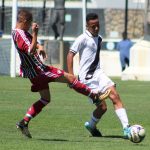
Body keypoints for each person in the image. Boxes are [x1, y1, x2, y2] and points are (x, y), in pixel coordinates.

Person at [11, 10, 110, 138]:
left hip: (32, 73)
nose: (30, 26)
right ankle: (94, 96)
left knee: (45, 98)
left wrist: (39, 47)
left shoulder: (16, 33)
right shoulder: (20, 34)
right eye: (29, 23)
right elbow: (30, 50)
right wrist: (35, 33)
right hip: (40, 70)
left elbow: (32, 44)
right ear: (24, 21)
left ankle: (24, 122)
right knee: (70, 78)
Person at [67, 13, 130, 138]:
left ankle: (127, 129)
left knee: (115, 95)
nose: (96, 28)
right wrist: (71, 76)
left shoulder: (99, 38)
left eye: (97, 25)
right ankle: (91, 125)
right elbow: (70, 55)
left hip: (98, 73)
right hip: (87, 79)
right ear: (87, 25)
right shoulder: (82, 38)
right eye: (93, 26)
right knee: (102, 108)